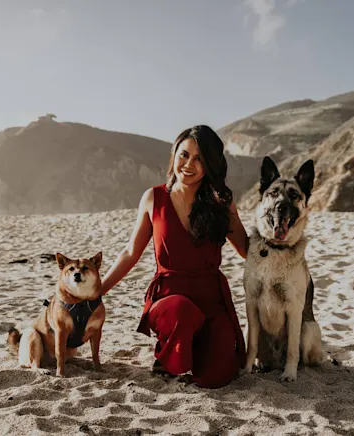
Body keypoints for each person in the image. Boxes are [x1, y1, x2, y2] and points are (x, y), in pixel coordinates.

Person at [101, 125, 249, 388]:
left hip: (212, 302)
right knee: (182, 317)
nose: (189, 164)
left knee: (217, 376)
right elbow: (131, 252)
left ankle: (195, 346)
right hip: (170, 302)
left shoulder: (221, 202)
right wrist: (99, 289)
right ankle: (169, 351)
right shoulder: (153, 198)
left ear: (211, 164)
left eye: (199, 158)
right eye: (184, 155)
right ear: (174, 156)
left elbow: (247, 249)